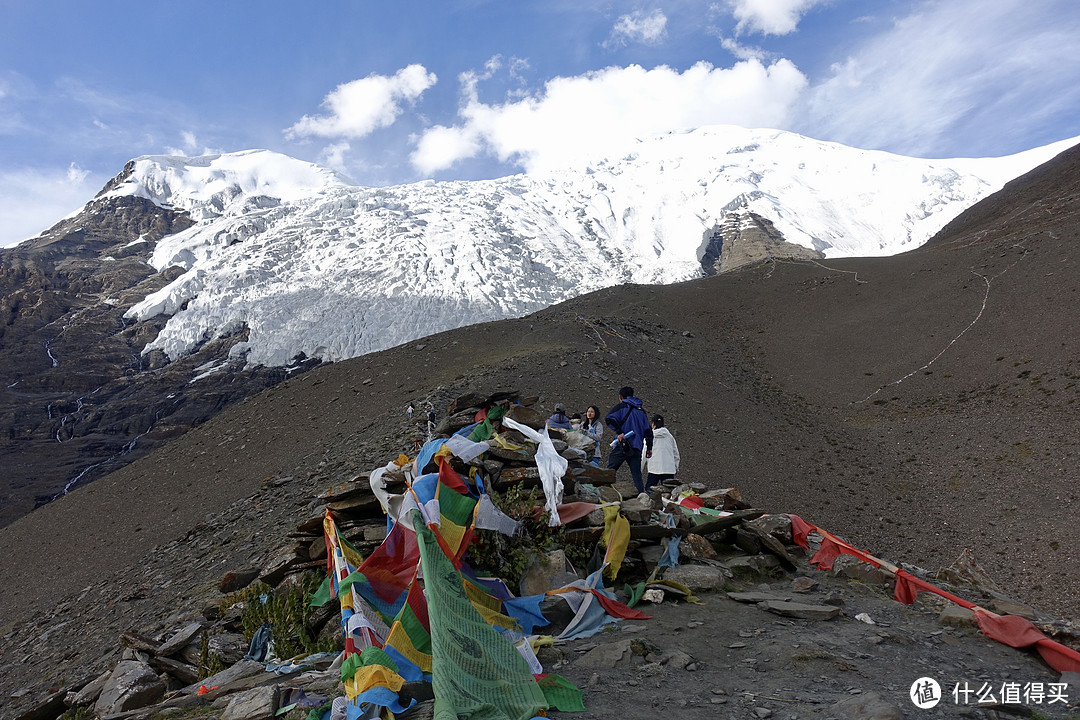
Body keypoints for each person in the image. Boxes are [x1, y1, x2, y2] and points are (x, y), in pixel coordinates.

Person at [604, 386, 652, 493]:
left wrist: (619, 432)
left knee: (610, 470)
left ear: (620, 397)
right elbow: (648, 431)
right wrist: (649, 448)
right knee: (636, 475)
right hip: (637, 447)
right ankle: (641, 497)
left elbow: (609, 418)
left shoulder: (621, 407)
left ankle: (603, 492)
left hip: (623, 444)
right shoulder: (641, 411)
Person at [641, 414, 680, 491]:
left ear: (653, 424)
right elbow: (676, 454)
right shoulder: (670, 436)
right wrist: (676, 468)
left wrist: (639, 470)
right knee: (669, 492)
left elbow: (644, 454)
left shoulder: (649, 437)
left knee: (650, 491)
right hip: (669, 469)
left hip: (654, 468)